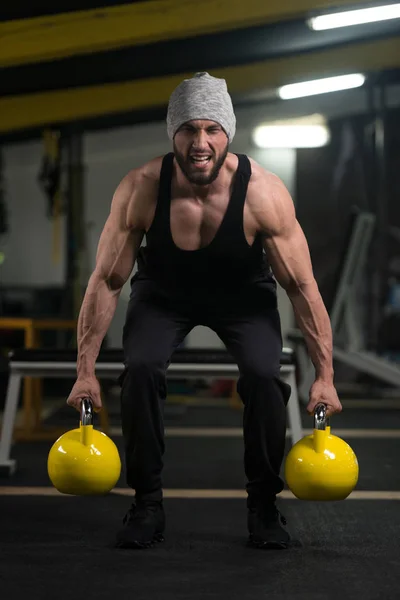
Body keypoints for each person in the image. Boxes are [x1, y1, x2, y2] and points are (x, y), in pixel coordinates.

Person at [67, 72, 342, 550]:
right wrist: (84, 371)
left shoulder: (263, 192)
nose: (200, 143)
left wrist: (326, 376)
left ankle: (263, 507)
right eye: (188, 129)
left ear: (228, 134)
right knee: (142, 369)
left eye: (212, 129)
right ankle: (147, 504)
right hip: (164, 294)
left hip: (242, 297)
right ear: (172, 132)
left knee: (263, 374)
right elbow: (107, 280)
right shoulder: (141, 187)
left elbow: (301, 286)